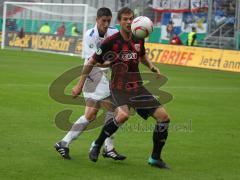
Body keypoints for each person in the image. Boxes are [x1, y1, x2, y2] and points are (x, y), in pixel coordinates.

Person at [72, 7, 171, 169]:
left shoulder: (138, 38)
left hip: (137, 87)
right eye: (125, 19)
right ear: (119, 22)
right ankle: (97, 144)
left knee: (164, 118)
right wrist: (79, 84)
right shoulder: (111, 42)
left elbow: (142, 55)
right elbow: (91, 62)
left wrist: (152, 67)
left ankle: (155, 158)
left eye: (131, 18)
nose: (128, 21)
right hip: (119, 87)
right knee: (123, 115)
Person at [55, 7, 126, 161]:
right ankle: (107, 147)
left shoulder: (114, 32)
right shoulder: (90, 35)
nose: (106, 24)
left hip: (106, 76)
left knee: (93, 114)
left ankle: (64, 142)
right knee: (113, 111)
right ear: (97, 20)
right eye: (103, 21)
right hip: (93, 75)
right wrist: (79, 85)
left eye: (108, 21)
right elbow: (92, 62)